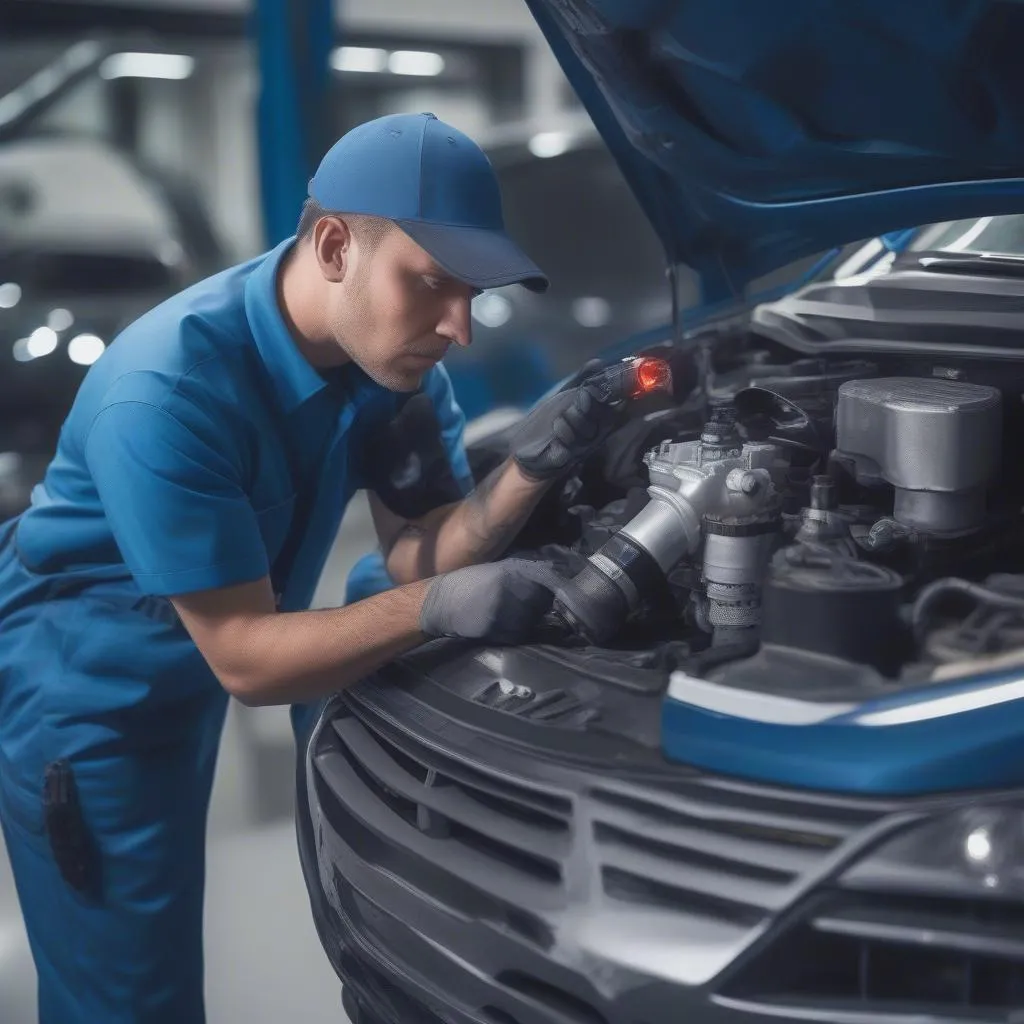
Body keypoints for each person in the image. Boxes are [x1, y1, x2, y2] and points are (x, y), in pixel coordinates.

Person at [0, 111, 621, 1023]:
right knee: (129, 995)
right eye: (434, 282)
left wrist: (528, 471)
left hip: (204, 650)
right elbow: (251, 661)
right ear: (334, 245)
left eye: (471, 289)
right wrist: (438, 605)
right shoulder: (168, 394)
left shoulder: (391, 362)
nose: (459, 326)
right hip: (89, 700)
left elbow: (416, 547)